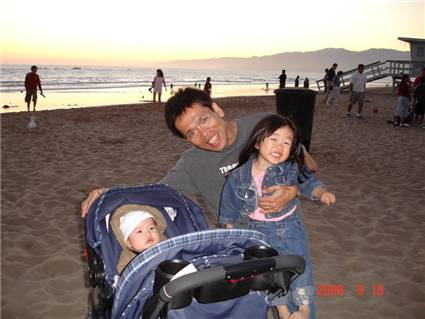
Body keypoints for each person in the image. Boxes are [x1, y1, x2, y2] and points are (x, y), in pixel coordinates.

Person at [81, 88, 318, 220]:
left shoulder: (264, 126)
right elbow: (155, 192)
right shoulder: (192, 164)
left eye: (204, 119)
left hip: (282, 228)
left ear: (217, 109)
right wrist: (109, 193)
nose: (205, 134)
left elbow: (309, 167)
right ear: (187, 140)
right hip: (238, 241)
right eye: (192, 132)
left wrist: (291, 190)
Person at [219, 114, 335, 319]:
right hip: (254, 231)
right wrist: (231, 232)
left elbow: (308, 182)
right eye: (273, 139)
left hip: (288, 226)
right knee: (267, 275)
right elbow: (229, 207)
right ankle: (282, 311)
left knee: (299, 265)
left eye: (286, 142)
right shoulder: (238, 175)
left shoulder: (291, 168)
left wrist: (321, 193)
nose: (279, 146)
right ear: (257, 142)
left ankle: (304, 309)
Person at [110, 204, 166, 273]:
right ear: (128, 242)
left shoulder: (166, 244)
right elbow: (124, 276)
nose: (148, 233)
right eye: (139, 231)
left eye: (151, 228)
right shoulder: (127, 258)